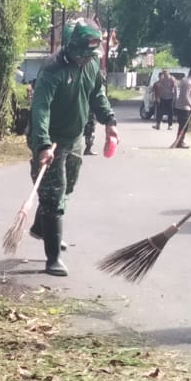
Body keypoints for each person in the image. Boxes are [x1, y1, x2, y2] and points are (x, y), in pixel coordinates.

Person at [28, 20, 118, 277]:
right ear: (71, 47)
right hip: (49, 139)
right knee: (54, 194)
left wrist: (109, 121)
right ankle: (52, 258)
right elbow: (41, 109)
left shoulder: (90, 66)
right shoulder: (52, 70)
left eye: (90, 55)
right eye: (81, 54)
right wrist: (43, 144)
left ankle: (42, 228)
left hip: (75, 138)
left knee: (66, 188)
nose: (85, 59)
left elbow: (97, 94)